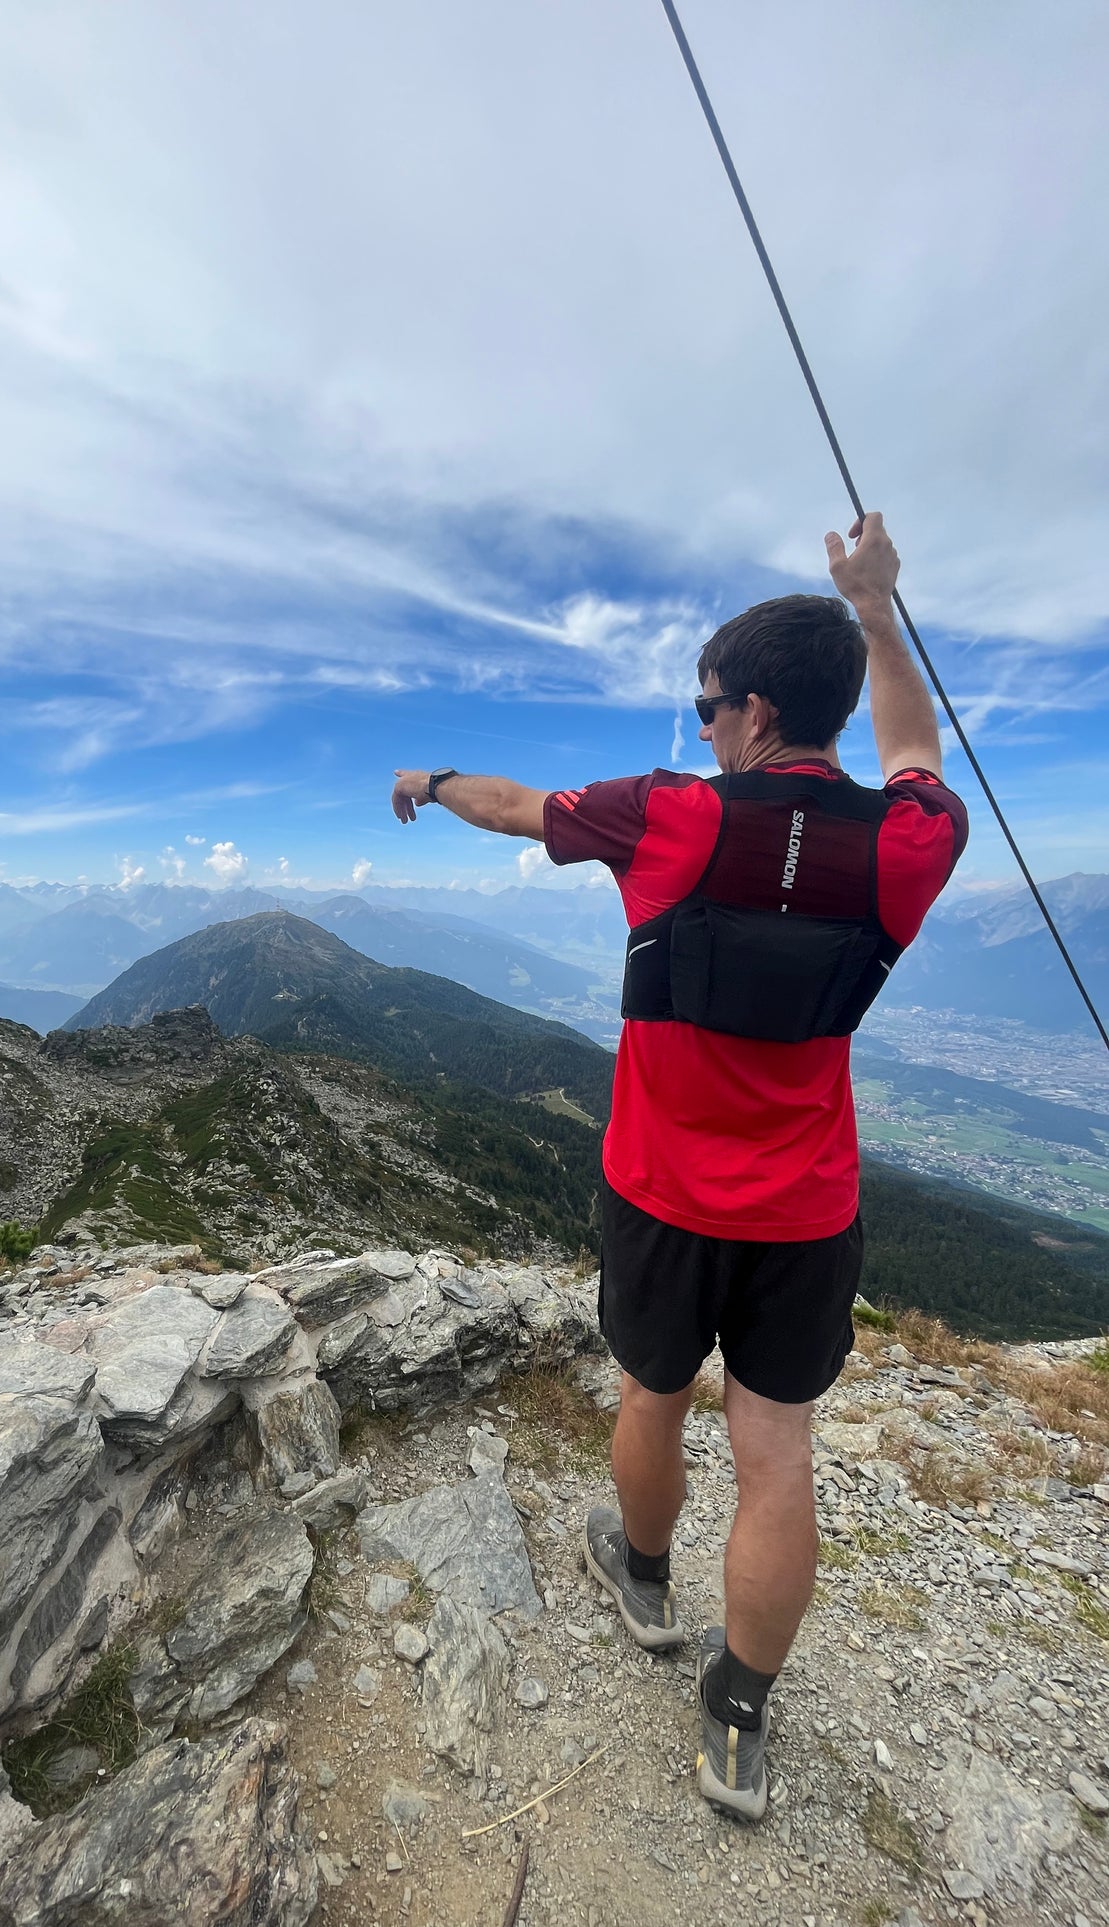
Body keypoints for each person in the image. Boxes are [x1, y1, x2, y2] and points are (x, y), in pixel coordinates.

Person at [389, 513, 968, 1820]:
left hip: (659, 1192)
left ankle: (640, 1580)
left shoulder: (665, 821)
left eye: (704, 707)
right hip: (806, 1209)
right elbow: (916, 752)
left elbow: (514, 808)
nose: (697, 728)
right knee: (776, 1455)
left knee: (651, 1394)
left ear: (753, 711)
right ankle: (736, 1719)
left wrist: (431, 779)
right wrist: (876, 609)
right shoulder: (905, 849)